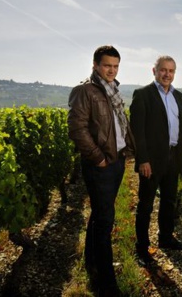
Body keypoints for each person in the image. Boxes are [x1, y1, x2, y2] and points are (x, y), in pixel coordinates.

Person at [68, 45, 135, 296]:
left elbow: (118, 124)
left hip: (115, 161)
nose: (112, 70)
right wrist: (98, 159)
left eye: (116, 66)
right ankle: (107, 283)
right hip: (101, 164)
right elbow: (77, 129)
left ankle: (92, 263)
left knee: (99, 214)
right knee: (105, 220)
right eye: (107, 65)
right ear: (95, 65)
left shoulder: (112, 89)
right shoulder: (85, 90)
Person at [130, 56, 182, 267]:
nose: (167, 74)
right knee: (146, 205)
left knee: (169, 200)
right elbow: (137, 131)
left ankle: (166, 238)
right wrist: (143, 160)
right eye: (163, 70)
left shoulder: (179, 96)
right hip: (151, 160)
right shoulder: (142, 95)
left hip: (173, 157)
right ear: (154, 71)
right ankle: (142, 249)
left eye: (171, 71)